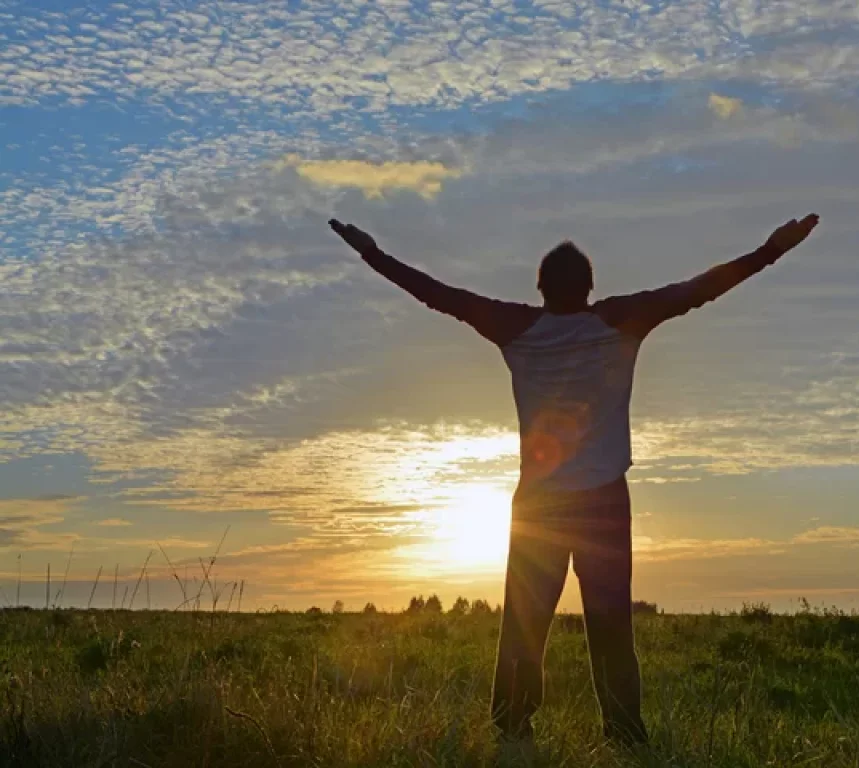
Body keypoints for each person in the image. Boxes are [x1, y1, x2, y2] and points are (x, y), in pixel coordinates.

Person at [329, 212, 820, 746]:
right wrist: (771, 250)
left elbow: (435, 293)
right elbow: (700, 289)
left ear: (540, 289)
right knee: (611, 627)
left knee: (524, 623)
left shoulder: (515, 326)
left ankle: (512, 728)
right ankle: (625, 735)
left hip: (538, 503)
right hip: (604, 501)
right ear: (590, 288)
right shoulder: (621, 319)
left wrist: (372, 253)